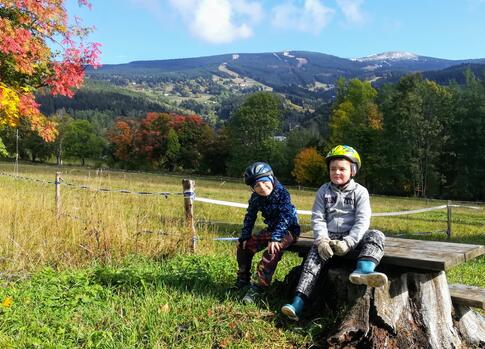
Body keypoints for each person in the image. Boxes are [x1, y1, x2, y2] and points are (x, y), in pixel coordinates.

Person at [281, 145, 387, 321]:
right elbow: (318, 217)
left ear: (352, 170)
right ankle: (298, 302)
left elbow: (362, 221)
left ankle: (363, 270)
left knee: (376, 235)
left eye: (342, 169)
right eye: (332, 169)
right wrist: (322, 240)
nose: (337, 172)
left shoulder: (360, 192)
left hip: (352, 238)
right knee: (311, 262)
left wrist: (349, 242)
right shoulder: (323, 191)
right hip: (329, 237)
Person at [231, 162, 301, 304]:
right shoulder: (256, 198)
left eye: (264, 182)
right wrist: (244, 236)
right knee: (244, 246)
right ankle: (243, 279)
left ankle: (259, 287)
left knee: (271, 251)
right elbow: (250, 216)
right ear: (252, 188)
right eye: (257, 186)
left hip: (288, 230)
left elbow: (286, 216)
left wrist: (276, 237)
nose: (262, 188)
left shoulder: (282, 193)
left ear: (271, 178)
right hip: (271, 229)